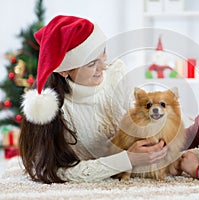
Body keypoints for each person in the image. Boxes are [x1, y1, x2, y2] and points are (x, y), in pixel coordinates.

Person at [19, 15, 167, 184]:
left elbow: (139, 121)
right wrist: (128, 160)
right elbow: (52, 171)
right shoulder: (54, 109)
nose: (104, 66)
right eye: (92, 63)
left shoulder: (117, 74)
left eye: (103, 53)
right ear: (64, 71)